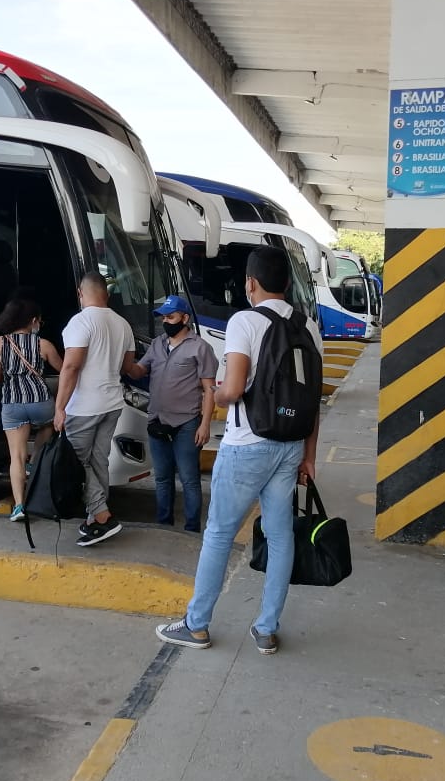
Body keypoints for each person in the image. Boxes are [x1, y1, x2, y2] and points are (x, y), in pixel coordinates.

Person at [155, 247, 322, 656]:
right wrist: (309, 456)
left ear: (250, 283)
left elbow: (232, 390)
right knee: (281, 536)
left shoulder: (244, 321)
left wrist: (212, 391)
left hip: (247, 444)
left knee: (219, 534)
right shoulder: (309, 327)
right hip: (290, 445)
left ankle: (196, 625)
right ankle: (266, 629)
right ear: (286, 282)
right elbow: (312, 398)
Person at [54, 272, 136, 547]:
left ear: (81, 293)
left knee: (77, 462)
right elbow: (128, 367)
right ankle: (94, 518)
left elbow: (71, 366)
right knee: (99, 459)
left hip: (85, 406)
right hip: (112, 404)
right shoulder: (123, 324)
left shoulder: (81, 322)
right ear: (107, 294)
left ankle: (101, 514)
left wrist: (59, 408)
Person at [125, 295, 217, 532]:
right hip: (157, 420)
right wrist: (122, 356)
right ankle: (164, 525)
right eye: (164, 317)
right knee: (162, 479)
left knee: (189, 480)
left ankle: (192, 528)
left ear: (184, 318)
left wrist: (205, 424)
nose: (166, 321)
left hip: (187, 423)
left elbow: (209, 389)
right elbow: (137, 371)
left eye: (171, 316)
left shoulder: (200, 348)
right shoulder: (157, 344)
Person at [0, 297, 63, 524]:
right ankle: (37, 457)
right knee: (49, 426)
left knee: (16, 457)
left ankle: (19, 506)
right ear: (33, 321)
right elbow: (65, 370)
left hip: (12, 405)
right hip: (41, 402)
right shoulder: (43, 344)